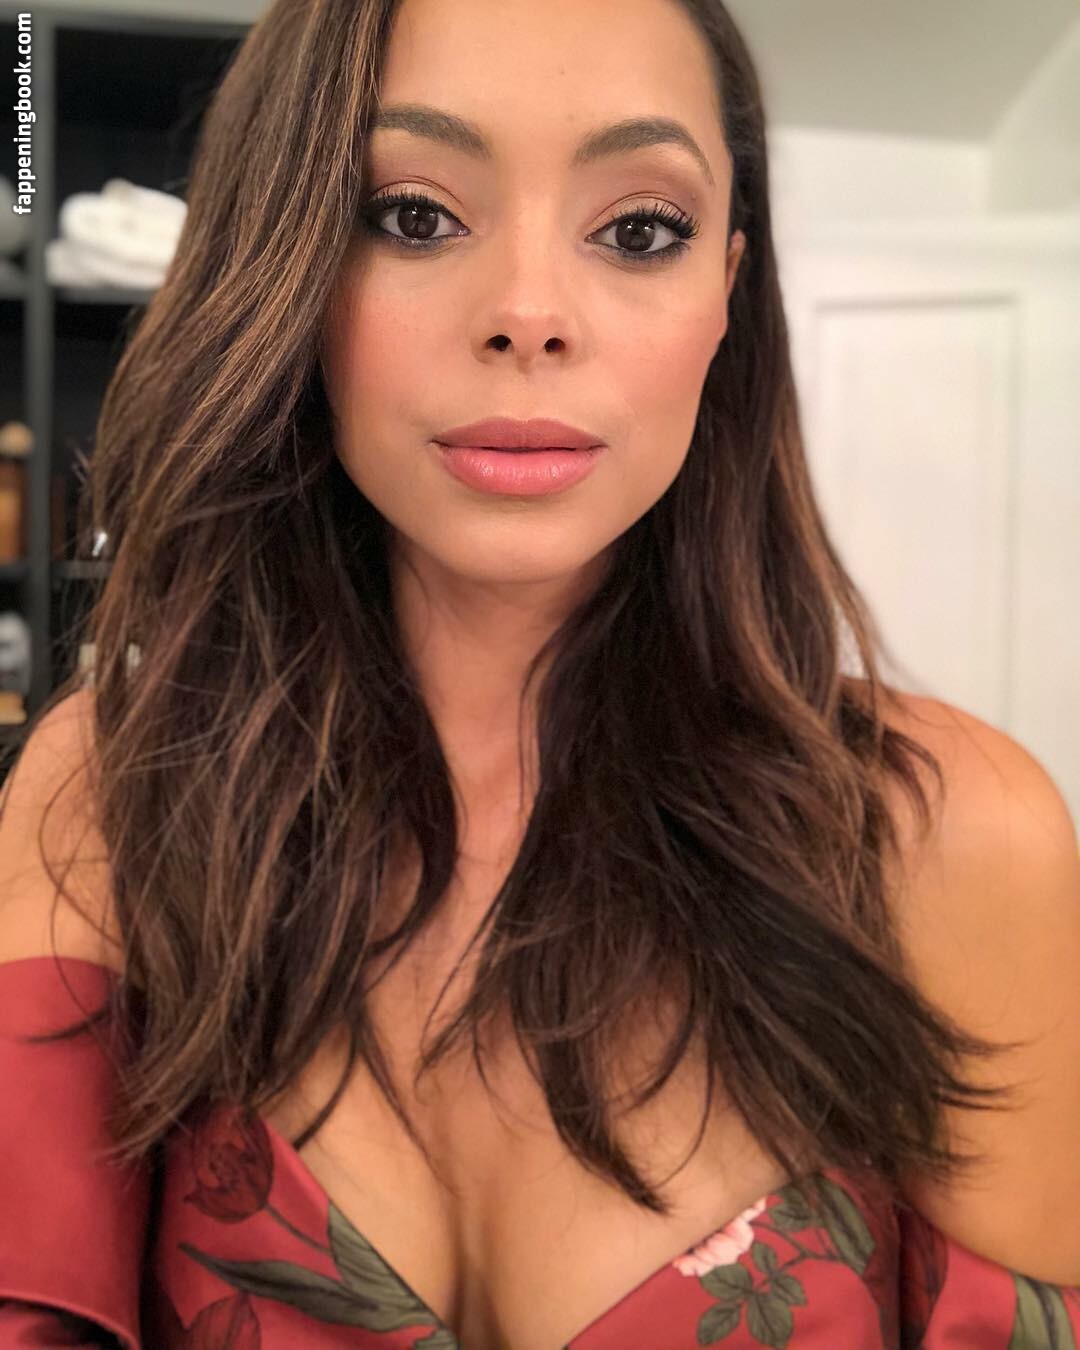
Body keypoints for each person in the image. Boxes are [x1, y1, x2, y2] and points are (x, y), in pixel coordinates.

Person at [1, 0, 1078, 1346]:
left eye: (639, 230)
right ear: (290, 267)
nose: (528, 315)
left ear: (726, 291)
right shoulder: (113, 793)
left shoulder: (951, 835)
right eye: (412, 215)